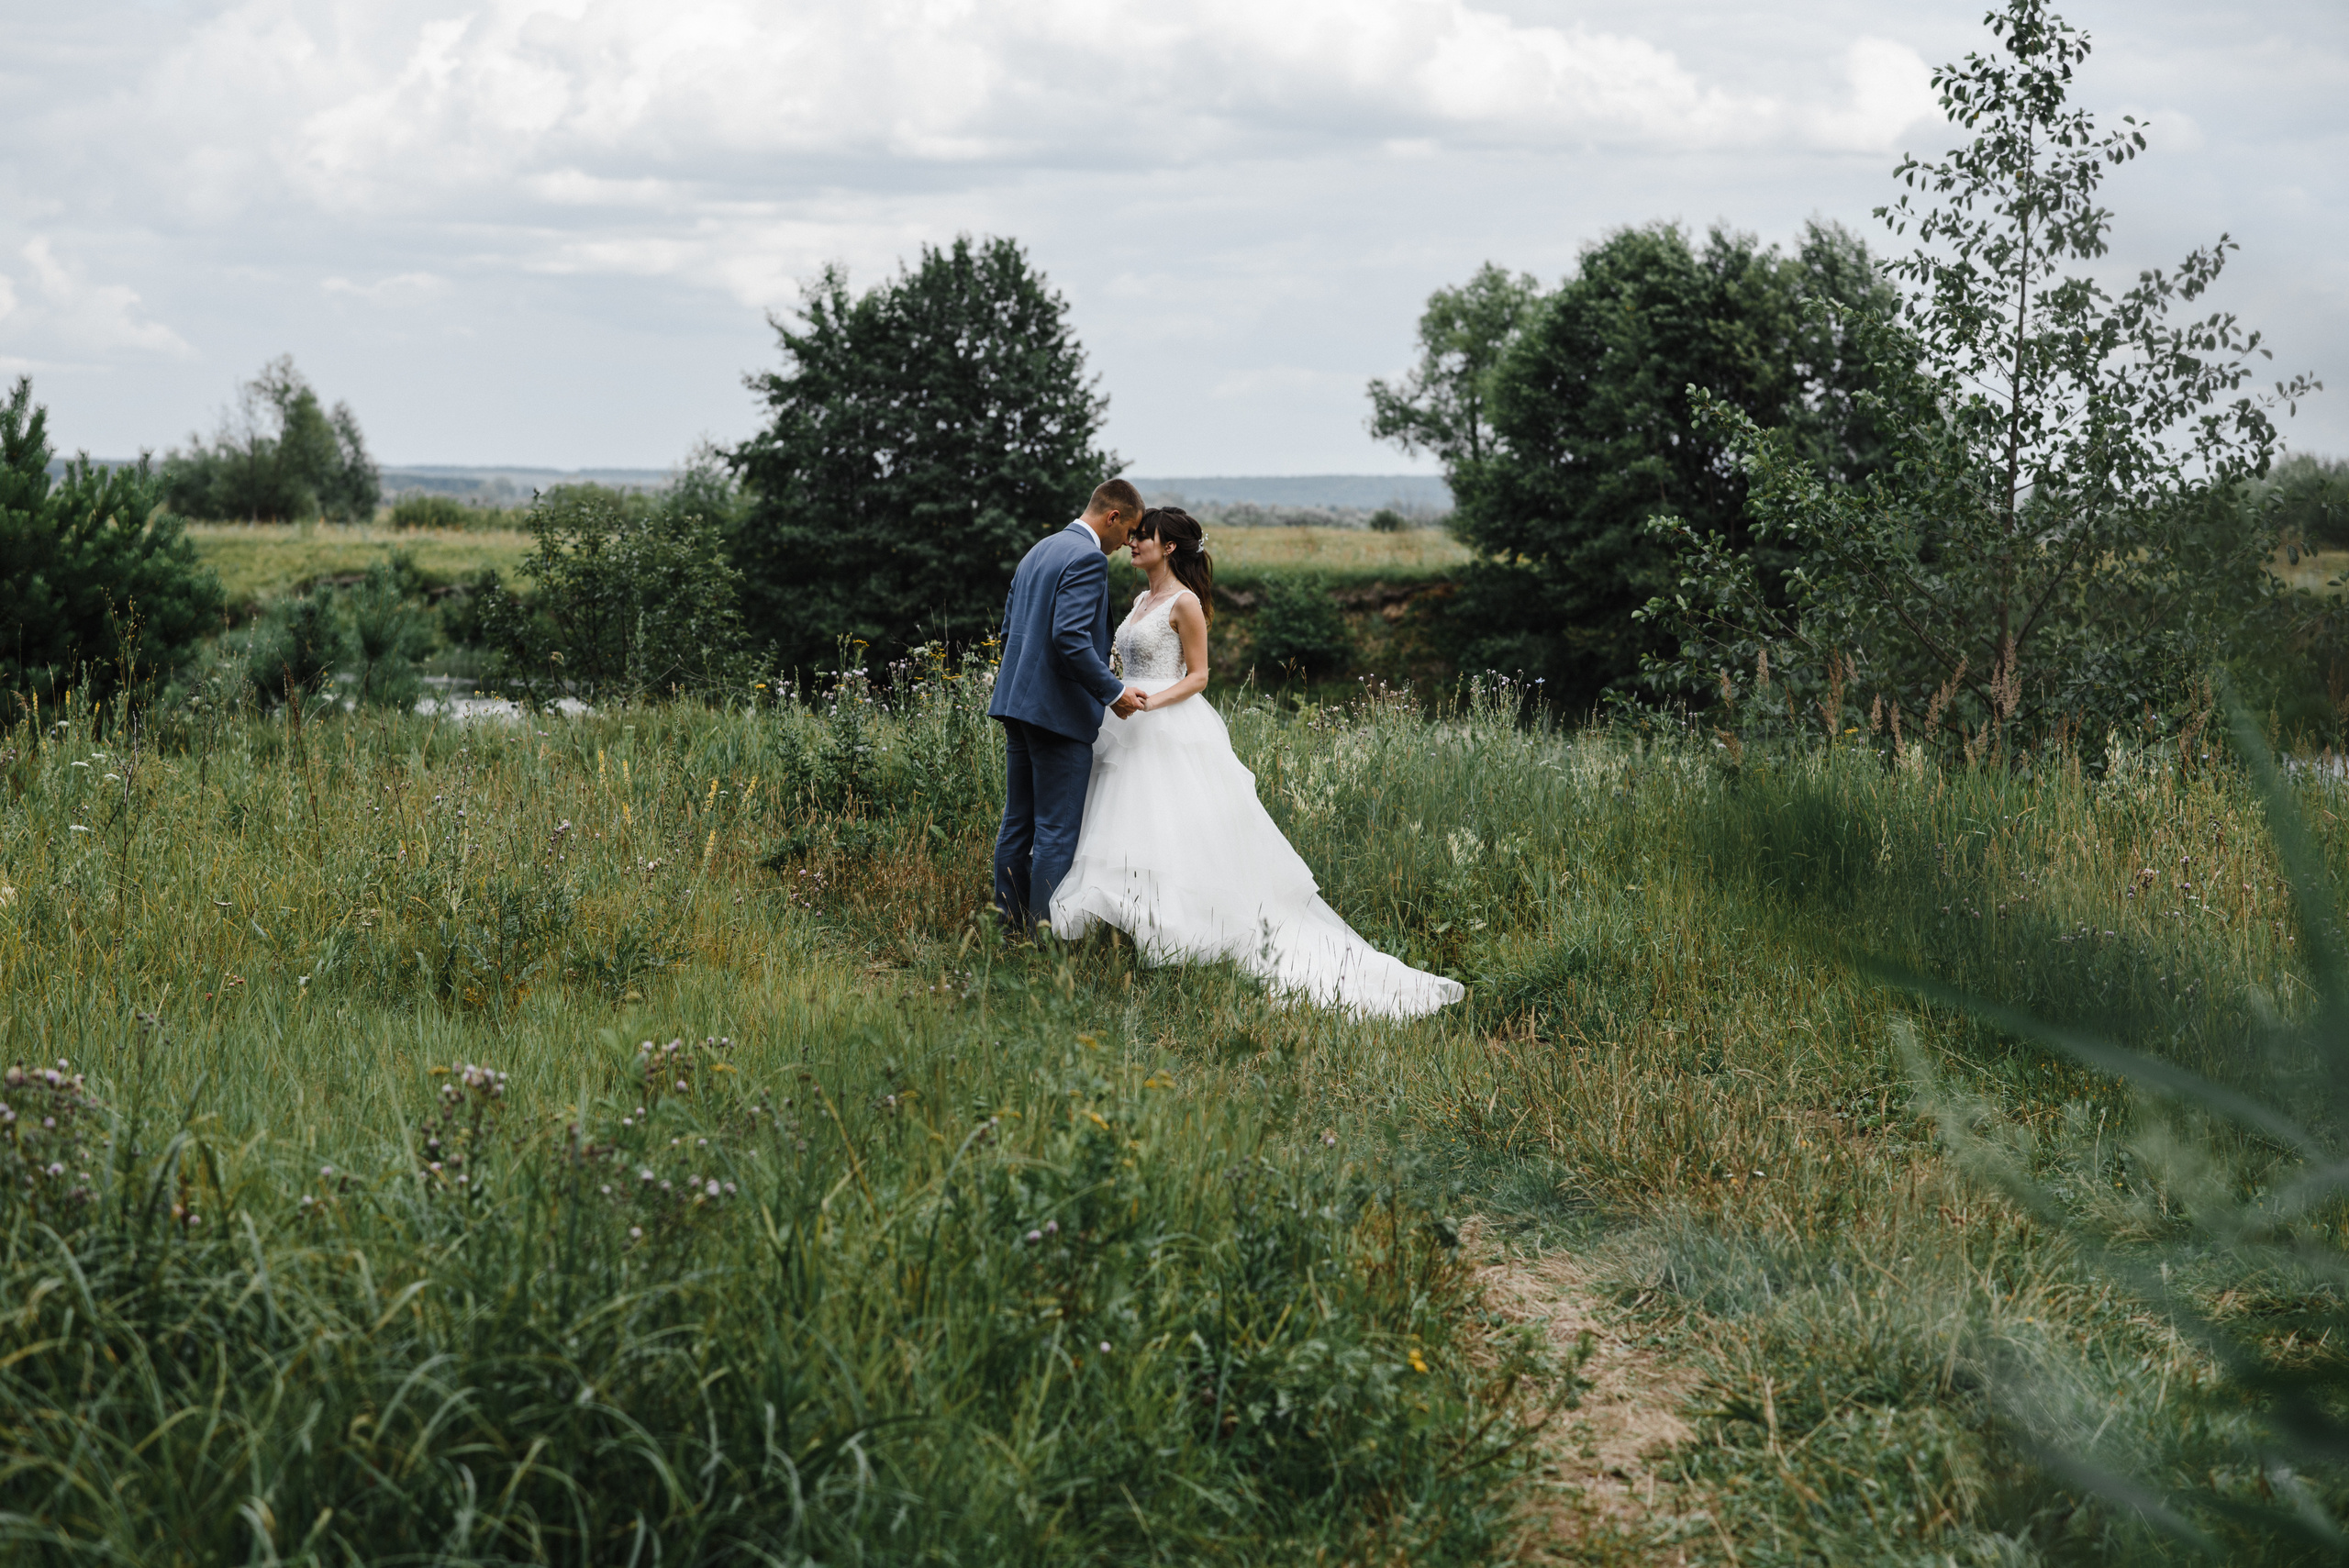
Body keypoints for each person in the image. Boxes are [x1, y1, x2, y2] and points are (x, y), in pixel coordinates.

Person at [1049, 506, 1463, 1019]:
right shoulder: (1139, 599)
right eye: (1132, 538)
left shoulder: (1186, 603)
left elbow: (1199, 676)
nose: (1132, 544)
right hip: (1124, 720)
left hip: (1165, 722)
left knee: (1176, 830)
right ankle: (1136, 932)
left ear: (1169, 547)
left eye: (1143, 538)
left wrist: (1151, 703)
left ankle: (1187, 936)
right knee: (1128, 825)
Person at [988, 478, 1149, 936]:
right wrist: (1113, 692)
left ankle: (1006, 926)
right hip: (1057, 713)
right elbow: (1071, 638)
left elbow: (1008, 631)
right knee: (1056, 829)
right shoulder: (1087, 558)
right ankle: (1042, 936)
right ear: (1113, 516)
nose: (1128, 544)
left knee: (1017, 821)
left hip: (1017, 705)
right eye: (1129, 532)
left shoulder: (1040, 550)